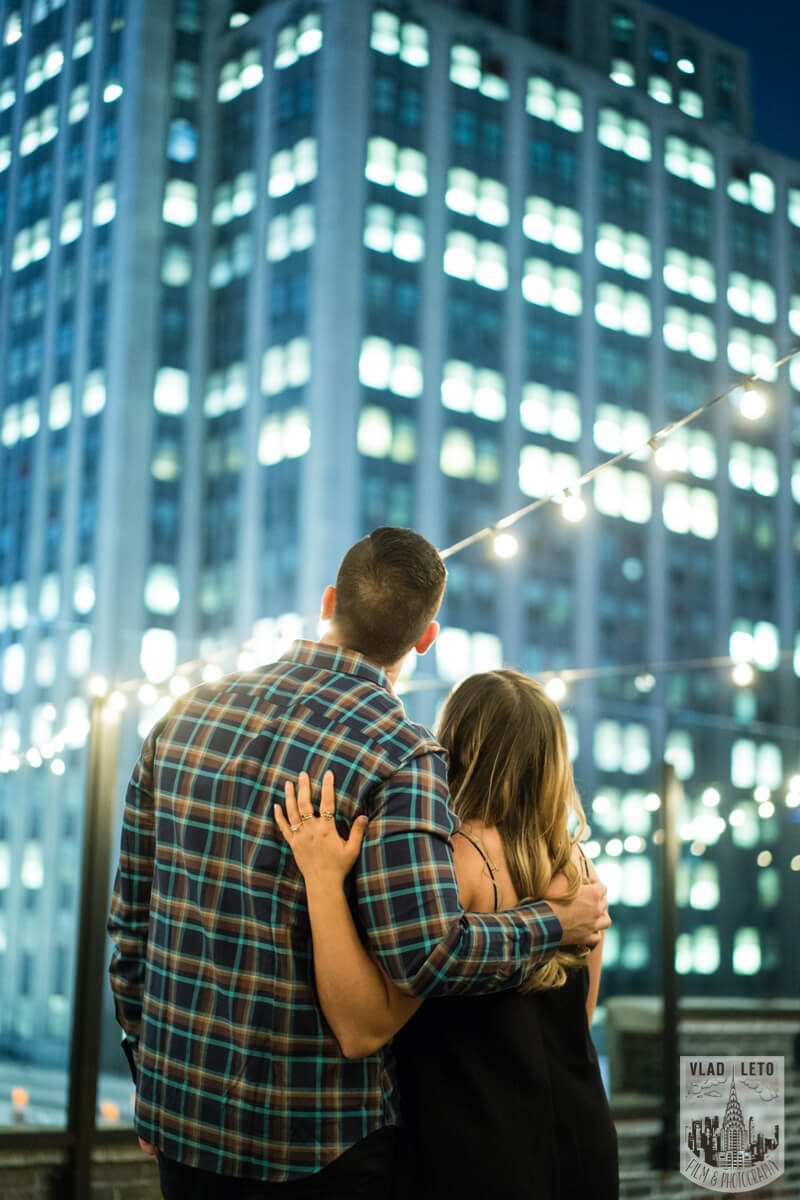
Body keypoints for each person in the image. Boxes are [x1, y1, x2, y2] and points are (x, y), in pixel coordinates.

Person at [108, 527, 610, 1198]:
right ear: (425, 636)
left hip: (183, 1121)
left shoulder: (182, 716)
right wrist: (552, 923)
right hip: (320, 1138)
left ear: (328, 600)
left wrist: (149, 1079)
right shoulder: (400, 753)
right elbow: (424, 954)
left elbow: (130, 926)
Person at [276, 669, 619, 1200]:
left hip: (472, 1154)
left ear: (453, 742)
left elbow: (361, 1028)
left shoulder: (449, 860)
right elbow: (582, 1015)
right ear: (552, 759)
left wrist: (323, 879)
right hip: (580, 1139)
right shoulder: (579, 872)